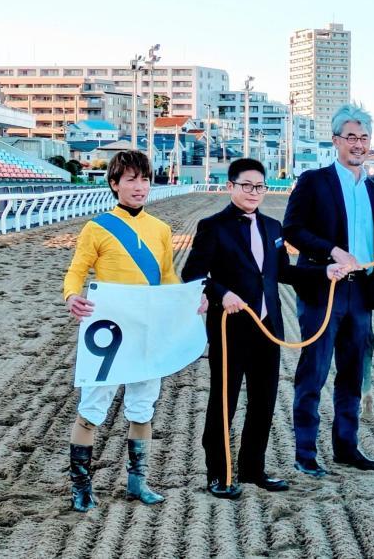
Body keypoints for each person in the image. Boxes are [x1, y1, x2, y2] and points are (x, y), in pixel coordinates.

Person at [182, 158, 348, 499]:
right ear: (230, 187)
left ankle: (253, 469)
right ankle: (218, 473)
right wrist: (221, 293)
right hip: (230, 328)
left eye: (260, 186)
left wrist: (324, 273)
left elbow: (282, 273)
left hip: (269, 327)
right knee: (224, 401)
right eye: (246, 185)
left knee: (264, 401)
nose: (254, 192)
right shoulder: (212, 226)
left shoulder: (274, 228)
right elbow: (193, 275)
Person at [283, 103, 374, 478]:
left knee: (353, 373)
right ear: (336, 140)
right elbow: (292, 229)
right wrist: (332, 251)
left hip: (361, 294)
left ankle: (346, 447)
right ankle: (305, 453)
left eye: (363, 138)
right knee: (314, 372)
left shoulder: (373, 190)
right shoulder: (313, 181)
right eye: (350, 137)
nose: (357, 144)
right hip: (325, 290)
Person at [62, 151, 187, 511]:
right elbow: (76, 271)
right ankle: (81, 487)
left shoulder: (161, 229)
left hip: (146, 328)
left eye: (144, 179)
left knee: (142, 408)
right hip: (107, 330)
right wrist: (72, 296)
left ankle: (138, 482)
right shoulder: (97, 227)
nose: (140, 186)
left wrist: (185, 299)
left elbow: (166, 277)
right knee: (92, 409)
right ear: (114, 184)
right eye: (130, 179)